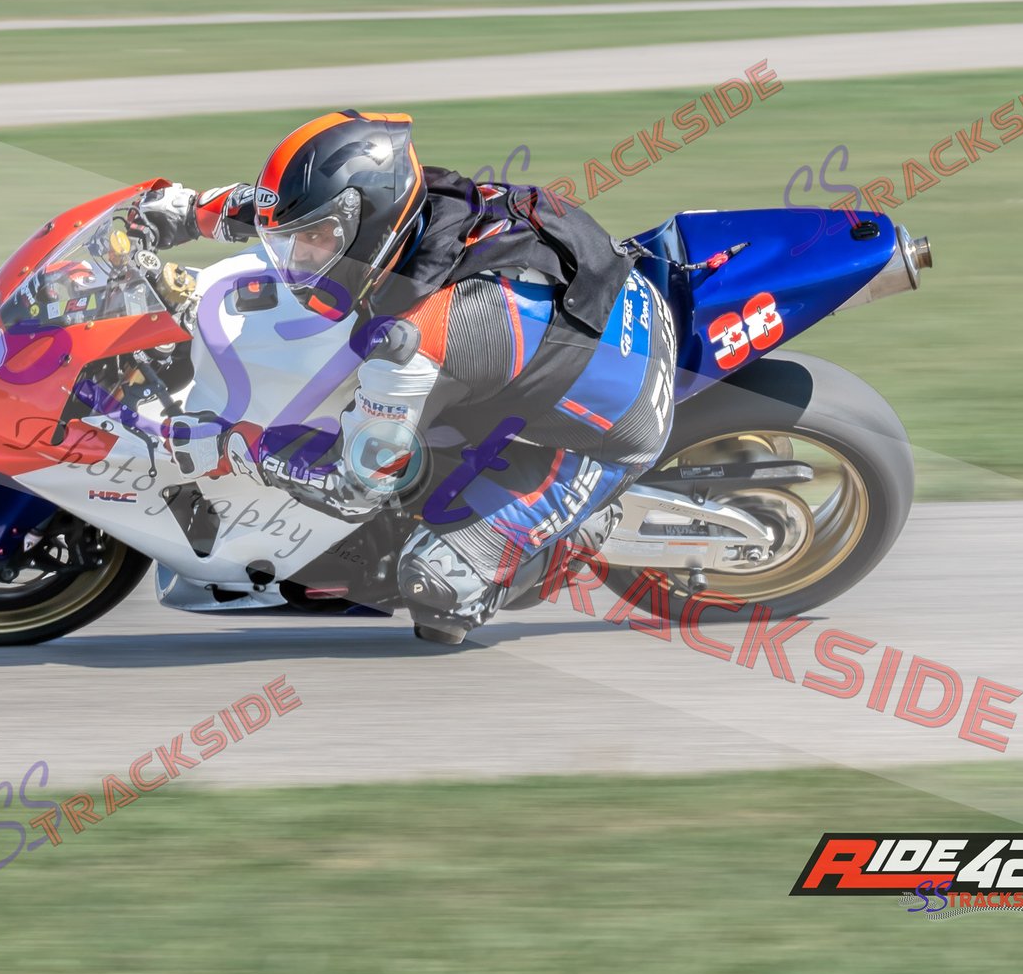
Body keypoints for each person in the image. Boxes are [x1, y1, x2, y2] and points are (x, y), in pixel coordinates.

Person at [129, 110, 677, 644]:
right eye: (295, 241)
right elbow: (287, 210)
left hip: (608, 429)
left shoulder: (418, 341)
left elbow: (354, 490)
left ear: (363, 227)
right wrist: (189, 212)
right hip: (586, 305)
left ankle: (578, 531)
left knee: (435, 588)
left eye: (313, 241)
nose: (297, 259)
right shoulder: (406, 202)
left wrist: (236, 444)